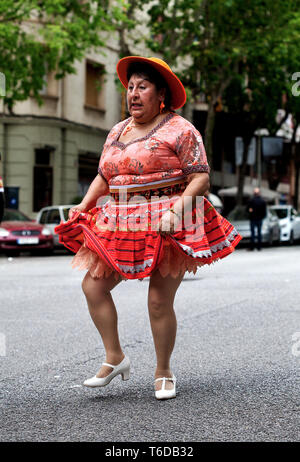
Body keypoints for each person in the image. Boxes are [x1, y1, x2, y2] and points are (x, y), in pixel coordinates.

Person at [55, 56, 242, 400]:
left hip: (169, 220)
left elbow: (200, 176)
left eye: (143, 87)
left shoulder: (181, 129)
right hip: (123, 219)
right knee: (93, 288)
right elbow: (104, 176)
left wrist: (175, 211)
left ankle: (163, 371)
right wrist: (83, 205)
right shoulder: (117, 130)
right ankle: (115, 358)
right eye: (130, 87)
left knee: (158, 300)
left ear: (161, 96)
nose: (134, 94)